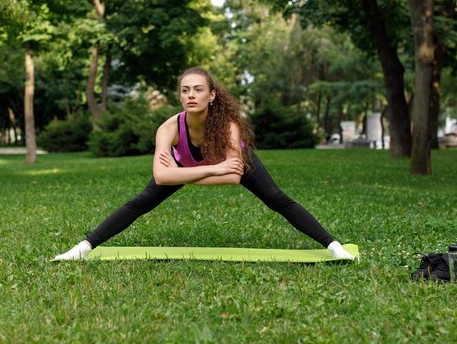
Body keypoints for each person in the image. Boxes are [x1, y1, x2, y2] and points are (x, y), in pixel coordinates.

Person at [55, 67, 356, 261]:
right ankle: (83, 248)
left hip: (233, 165)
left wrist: (181, 174)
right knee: (140, 202)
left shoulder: (228, 126)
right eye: (185, 90)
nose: (191, 95)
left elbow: (232, 176)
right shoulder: (169, 128)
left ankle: (333, 246)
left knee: (278, 199)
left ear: (212, 95)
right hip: (204, 167)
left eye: (198, 89)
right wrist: (213, 169)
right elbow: (161, 177)